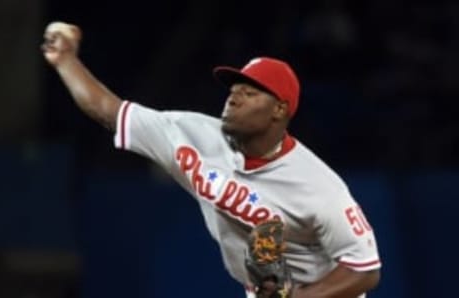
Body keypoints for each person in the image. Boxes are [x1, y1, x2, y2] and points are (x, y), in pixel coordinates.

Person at [42, 21, 381, 298]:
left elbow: (364, 270)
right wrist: (66, 60)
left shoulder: (318, 186)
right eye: (233, 90)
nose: (234, 98)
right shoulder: (194, 136)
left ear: (280, 110)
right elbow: (108, 111)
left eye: (249, 93)